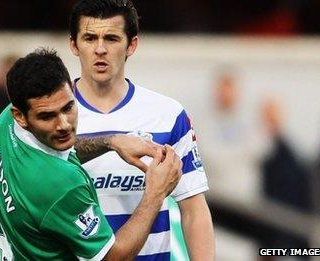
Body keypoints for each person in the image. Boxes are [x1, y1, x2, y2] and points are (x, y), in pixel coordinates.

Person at [0, 48, 182, 260]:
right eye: (47, 116)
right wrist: (155, 194)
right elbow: (112, 257)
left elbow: (55, 153)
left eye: (68, 107)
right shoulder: (60, 186)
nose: (63, 124)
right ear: (20, 116)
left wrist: (111, 142)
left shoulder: (5, 123)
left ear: (72, 89)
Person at [68, 0, 214, 259]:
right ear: (74, 45)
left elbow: (193, 209)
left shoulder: (167, 115)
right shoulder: (52, 116)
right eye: (90, 38)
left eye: (111, 39)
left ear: (131, 45)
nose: (100, 49)